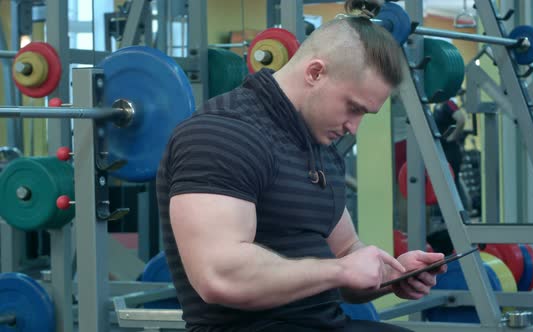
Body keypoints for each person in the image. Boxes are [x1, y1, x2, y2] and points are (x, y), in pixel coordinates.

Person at [156, 15, 446, 332]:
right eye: (354, 107)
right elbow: (218, 275)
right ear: (315, 72)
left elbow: (347, 251)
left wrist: (390, 275)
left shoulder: (318, 149)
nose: (354, 127)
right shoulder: (221, 133)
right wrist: (340, 271)